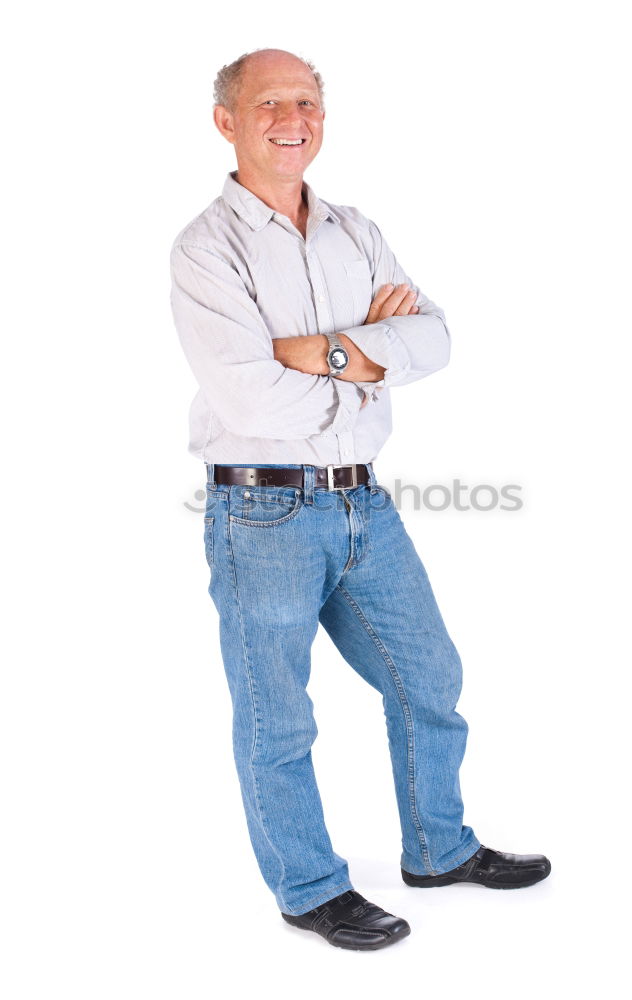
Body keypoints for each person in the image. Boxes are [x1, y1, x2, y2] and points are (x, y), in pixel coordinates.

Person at [169, 47, 550, 952]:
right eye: (267, 102)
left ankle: (439, 848)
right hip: (261, 516)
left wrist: (324, 349)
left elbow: (437, 337)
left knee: (429, 676)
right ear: (227, 121)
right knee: (278, 715)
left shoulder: (354, 228)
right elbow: (251, 399)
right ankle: (309, 889)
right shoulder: (204, 248)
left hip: (363, 507)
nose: (289, 117)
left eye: (305, 100)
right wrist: (373, 362)